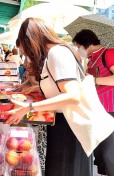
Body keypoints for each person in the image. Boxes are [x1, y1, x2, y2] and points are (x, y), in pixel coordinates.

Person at [5, 18, 93, 176]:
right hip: (64, 124)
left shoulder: (57, 53)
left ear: (31, 40)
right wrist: (37, 87)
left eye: (27, 50)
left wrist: (29, 107)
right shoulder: (55, 53)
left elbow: (73, 96)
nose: (29, 56)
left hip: (70, 128)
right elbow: (60, 86)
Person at [72, 29, 114, 176]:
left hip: (110, 109)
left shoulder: (109, 54)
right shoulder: (90, 59)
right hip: (95, 108)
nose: (78, 49)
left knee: (110, 152)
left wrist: (94, 80)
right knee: (100, 153)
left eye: (78, 46)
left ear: (87, 44)